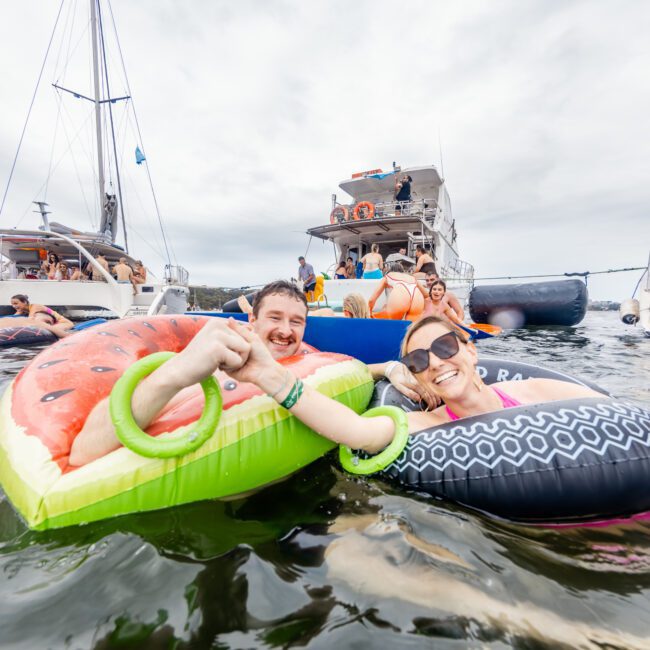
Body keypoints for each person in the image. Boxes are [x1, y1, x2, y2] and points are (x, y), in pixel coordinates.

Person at [68, 280, 431, 466]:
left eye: (296, 322)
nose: (286, 331)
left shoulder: (307, 359)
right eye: (274, 318)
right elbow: (84, 453)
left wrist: (390, 367)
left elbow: (348, 371)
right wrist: (176, 373)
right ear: (252, 321)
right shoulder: (207, 363)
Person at [177, 315, 605, 458]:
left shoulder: (536, 392)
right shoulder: (427, 424)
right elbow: (357, 432)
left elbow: (618, 416)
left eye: (444, 346)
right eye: (419, 359)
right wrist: (270, 377)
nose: (435, 362)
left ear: (470, 350)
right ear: (415, 375)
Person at [0, 310, 73, 338]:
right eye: (47, 321)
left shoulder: (17, 320)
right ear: (33, 317)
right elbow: (65, 335)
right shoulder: (34, 321)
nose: (47, 325)